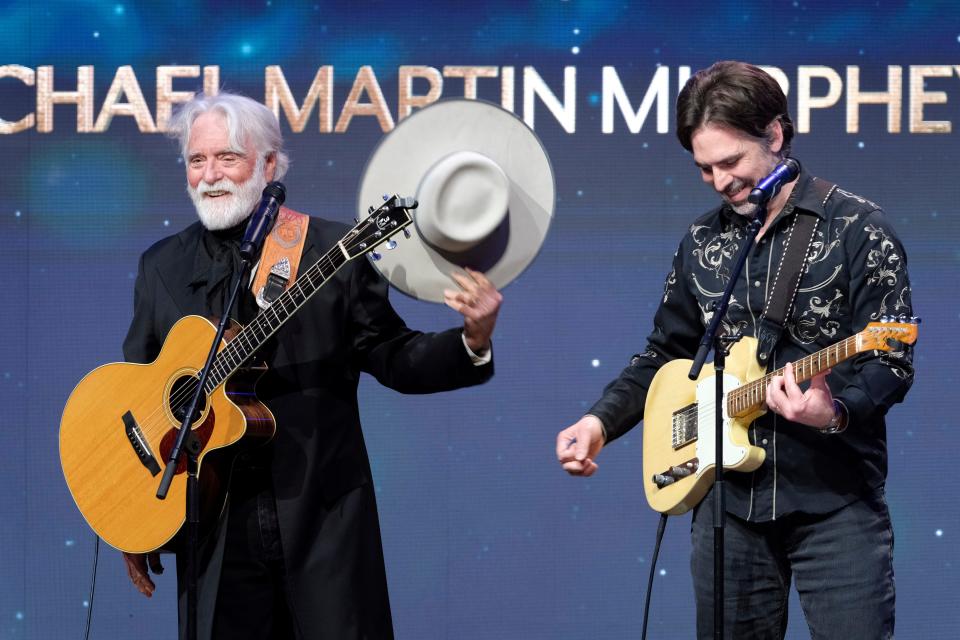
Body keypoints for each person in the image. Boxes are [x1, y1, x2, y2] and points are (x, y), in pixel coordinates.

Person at [120, 92, 502, 639]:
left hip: (321, 523)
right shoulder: (162, 266)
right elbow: (138, 395)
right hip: (213, 532)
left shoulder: (329, 251)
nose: (209, 176)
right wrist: (132, 516)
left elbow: (394, 356)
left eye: (227, 158)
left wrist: (471, 338)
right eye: (196, 161)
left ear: (269, 164)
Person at [556, 61, 914, 639]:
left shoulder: (859, 229)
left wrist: (835, 410)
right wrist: (601, 422)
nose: (721, 182)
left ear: (774, 135)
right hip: (727, 505)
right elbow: (663, 354)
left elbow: (891, 360)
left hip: (836, 500)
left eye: (731, 163)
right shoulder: (703, 240)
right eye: (704, 169)